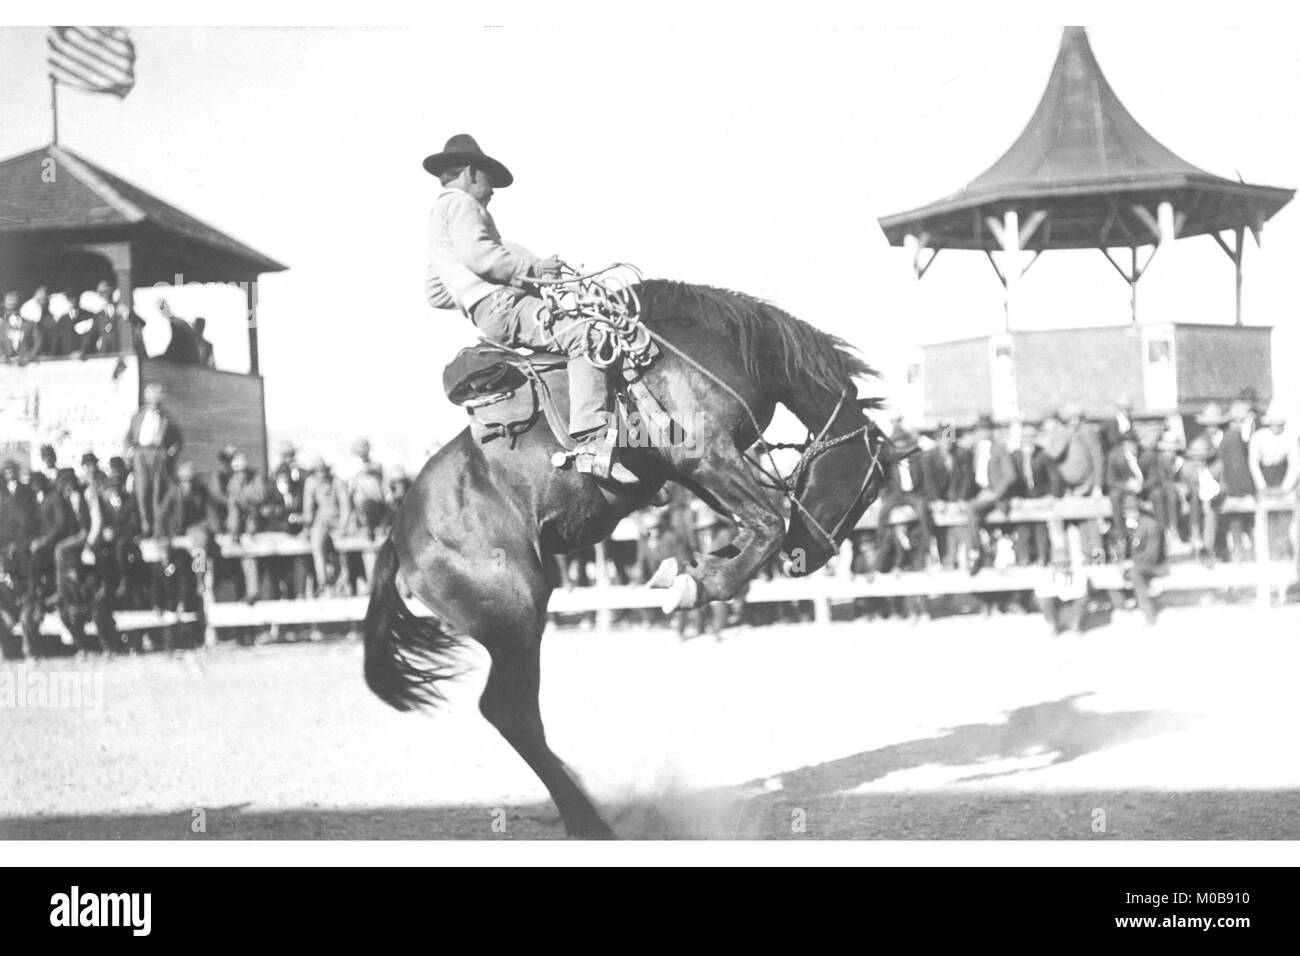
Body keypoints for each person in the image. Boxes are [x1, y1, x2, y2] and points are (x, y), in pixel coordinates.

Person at [422, 133, 635, 484]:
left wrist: (472, 296)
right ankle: (593, 445)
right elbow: (481, 257)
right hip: (504, 308)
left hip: (488, 313)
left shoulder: (440, 217)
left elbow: (435, 292)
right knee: (588, 335)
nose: (491, 192)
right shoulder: (462, 204)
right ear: (472, 173)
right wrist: (530, 272)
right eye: (489, 182)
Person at [124, 383, 183, 536]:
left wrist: (170, 452)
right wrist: (130, 451)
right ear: (147, 398)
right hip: (140, 453)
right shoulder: (138, 415)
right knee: (142, 492)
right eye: (152, 397)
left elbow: (178, 440)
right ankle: (146, 527)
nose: (155, 400)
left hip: (158, 454)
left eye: (157, 397)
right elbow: (128, 437)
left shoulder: (167, 417)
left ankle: (158, 529)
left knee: (157, 493)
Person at [873, 428, 935, 572]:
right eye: (897, 444)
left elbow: (926, 480)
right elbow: (883, 483)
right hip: (896, 495)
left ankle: (928, 541)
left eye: (903, 443)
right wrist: (885, 497)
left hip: (913, 494)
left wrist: (928, 496)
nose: (900, 447)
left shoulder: (916, 459)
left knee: (922, 509)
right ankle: (880, 542)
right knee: (883, 512)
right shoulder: (889, 462)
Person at [1248, 400, 1299, 561]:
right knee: (1265, 518)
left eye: (1280, 424)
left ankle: (1285, 552)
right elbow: (1253, 463)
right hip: (1265, 477)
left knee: (1285, 519)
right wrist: (1262, 486)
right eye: (1273, 424)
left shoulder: (1290, 438)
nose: (1277, 427)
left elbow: (1295, 464)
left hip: (1283, 478)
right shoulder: (1258, 437)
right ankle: (1268, 555)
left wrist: (1285, 487)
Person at [302, 458, 351, 597]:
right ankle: (322, 582)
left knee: (343, 549)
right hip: (321, 519)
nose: (320, 474)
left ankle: (344, 585)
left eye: (323, 470)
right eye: (317, 471)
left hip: (337, 518)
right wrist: (307, 525)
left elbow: (345, 505)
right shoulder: (311, 483)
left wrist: (343, 525)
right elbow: (308, 506)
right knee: (317, 543)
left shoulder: (337, 482)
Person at [1123, 496, 1166, 626]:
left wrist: (1132, 563)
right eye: (1127, 511)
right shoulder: (1130, 525)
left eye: (1133, 510)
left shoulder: (1151, 524)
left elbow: (1152, 555)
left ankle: (1149, 614)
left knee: (1135, 574)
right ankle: (1123, 607)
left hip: (1154, 564)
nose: (1129, 514)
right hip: (1139, 564)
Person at [159, 300, 201, 364]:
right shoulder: (178, 322)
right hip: (188, 357)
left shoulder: (177, 323)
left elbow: (176, 342)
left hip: (186, 358)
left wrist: (167, 355)